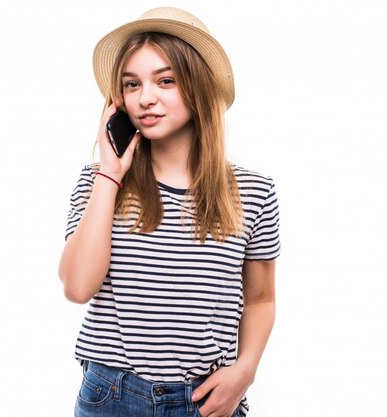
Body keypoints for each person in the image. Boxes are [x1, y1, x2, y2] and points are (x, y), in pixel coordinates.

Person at [58, 7, 281, 417]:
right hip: (113, 395)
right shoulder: (98, 183)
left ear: (198, 87)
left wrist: (246, 370)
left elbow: (261, 298)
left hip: (207, 399)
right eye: (131, 84)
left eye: (166, 81)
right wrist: (110, 174)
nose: (145, 98)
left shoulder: (253, 191)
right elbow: (76, 287)